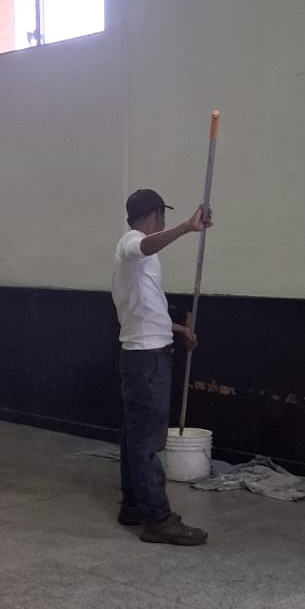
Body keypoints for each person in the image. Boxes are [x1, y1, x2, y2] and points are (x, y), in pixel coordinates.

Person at [112, 189, 212, 546]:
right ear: (156, 214)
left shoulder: (139, 260)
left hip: (144, 354)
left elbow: (145, 308)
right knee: (147, 441)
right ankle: (157, 519)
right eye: (163, 216)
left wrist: (177, 328)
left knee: (134, 437)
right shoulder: (131, 243)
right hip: (146, 361)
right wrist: (186, 227)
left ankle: (134, 507)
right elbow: (143, 246)